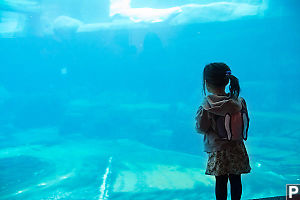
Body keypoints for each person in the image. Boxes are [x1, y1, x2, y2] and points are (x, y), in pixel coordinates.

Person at [195, 62, 251, 200]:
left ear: (206, 83)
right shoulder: (239, 101)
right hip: (237, 147)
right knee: (236, 179)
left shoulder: (207, 106)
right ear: (227, 80)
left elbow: (201, 128)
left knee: (221, 182)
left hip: (218, 149)